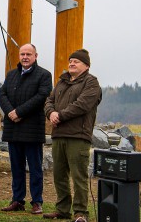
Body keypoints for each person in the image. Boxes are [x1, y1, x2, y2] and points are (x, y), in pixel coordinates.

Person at [43, 49, 102, 222]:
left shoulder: (92, 83)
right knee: (59, 175)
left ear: (86, 65)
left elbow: (82, 105)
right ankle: (62, 210)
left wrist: (59, 115)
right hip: (58, 134)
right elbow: (49, 101)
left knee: (79, 176)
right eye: (70, 61)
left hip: (78, 136)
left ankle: (80, 213)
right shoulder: (62, 82)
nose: (71, 63)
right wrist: (50, 113)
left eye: (76, 61)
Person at [0, 44, 52, 215]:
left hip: (32, 129)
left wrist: (19, 112)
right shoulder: (11, 74)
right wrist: (10, 112)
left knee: (35, 168)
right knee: (16, 167)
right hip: (13, 128)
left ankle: (37, 201)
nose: (25, 57)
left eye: (29, 54)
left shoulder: (44, 75)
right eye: (22, 54)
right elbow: (2, 94)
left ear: (36, 55)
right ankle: (17, 200)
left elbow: (41, 96)